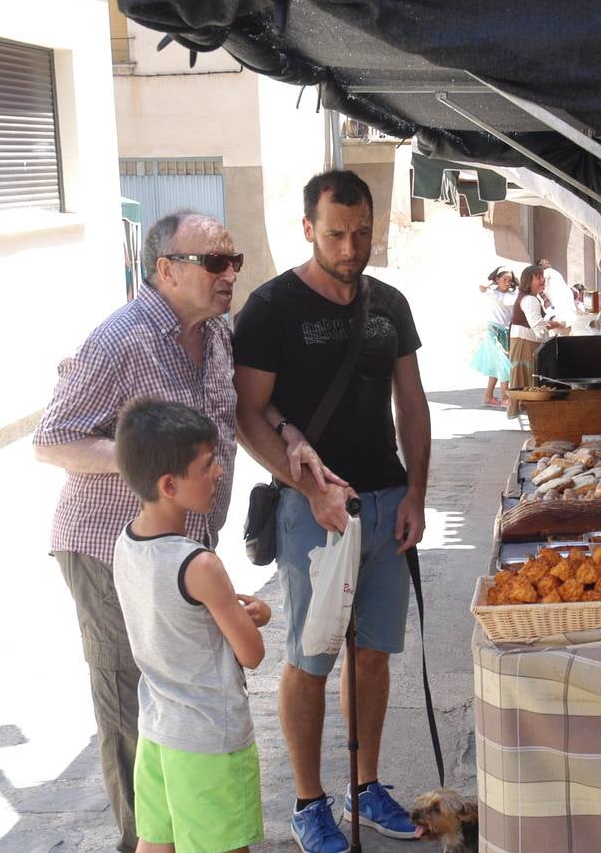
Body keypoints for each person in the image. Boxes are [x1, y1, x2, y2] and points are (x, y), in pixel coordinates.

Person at [232, 169, 432, 852]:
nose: (351, 248)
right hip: (312, 513)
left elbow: (411, 403)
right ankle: (309, 801)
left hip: (386, 502)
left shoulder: (389, 304)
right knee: (310, 658)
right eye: (337, 234)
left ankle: (365, 785)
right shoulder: (270, 307)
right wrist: (308, 487)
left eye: (362, 233)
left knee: (373, 656)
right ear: (309, 229)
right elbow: (246, 414)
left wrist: (417, 493)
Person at [33, 210, 244, 853]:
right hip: (108, 548)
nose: (229, 273)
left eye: (233, 261)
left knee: (177, 697)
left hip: (182, 550)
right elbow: (53, 439)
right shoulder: (121, 338)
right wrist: (147, 465)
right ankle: (142, 841)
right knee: (131, 703)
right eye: (214, 262)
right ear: (166, 269)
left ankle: (182, 835)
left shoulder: (216, 335)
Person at [111, 398, 271, 853]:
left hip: (159, 730)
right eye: (207, 465)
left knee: (154, 844)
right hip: (209, 739)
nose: (219, 472)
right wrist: (256, 616)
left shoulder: (125, 543)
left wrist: (235, 615)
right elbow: (252, 654)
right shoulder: (199, 564)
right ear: (169, 484)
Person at [506, 264, 566, 418]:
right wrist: (558, 325)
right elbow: (537, 324)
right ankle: (527, 411)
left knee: (524, 375)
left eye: (542, 277)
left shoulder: (531, 298)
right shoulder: (529, 300)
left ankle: (522, 409)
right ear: (528, 280)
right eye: (538, 277)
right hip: (524, 340)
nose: (542, 280)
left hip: (523, 339)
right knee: (526, 375)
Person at [472, 268, 516, 406]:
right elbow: (481, 286)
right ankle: (505, 397)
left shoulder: (512, 294)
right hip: (494, 332)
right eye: (504, 279)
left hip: (506, 332)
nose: (508, 282)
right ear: (497, 279)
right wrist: (492, 282)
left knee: (498, 365)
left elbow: (510, 304)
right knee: (504, 365)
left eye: (510, 280)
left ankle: (488, 397)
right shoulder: (492, 292)